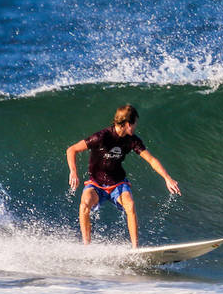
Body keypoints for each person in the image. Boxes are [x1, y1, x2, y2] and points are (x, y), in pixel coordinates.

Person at [66, 104, 180, 247]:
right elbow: (72, 150)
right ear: (127, 124)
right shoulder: (102, 137)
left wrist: (167, 178)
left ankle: (135, 248)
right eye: (135, 123)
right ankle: (86, 246)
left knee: (130, 205)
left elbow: (151, 159)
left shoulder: (132, 140)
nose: (136, 126)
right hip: (96, 184)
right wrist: (73, 172)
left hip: (118, 184)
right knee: (84, 204)